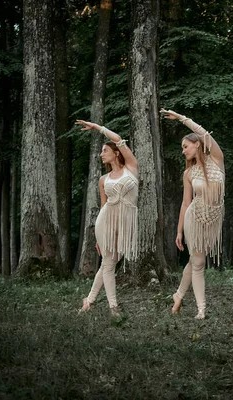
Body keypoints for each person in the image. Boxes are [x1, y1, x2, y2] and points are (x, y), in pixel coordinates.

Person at [161, 109, 225, 320]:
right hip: (194, 217)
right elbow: (185, 203)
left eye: (185, 146)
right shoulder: (188, 173)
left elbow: (205, 133)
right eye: (181, 148)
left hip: (213, 218)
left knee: (195, 259)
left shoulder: (216, 159)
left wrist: (181, 119)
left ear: (197, 144)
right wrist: (179, 231)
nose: (183, 151)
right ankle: (201, 310)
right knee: (198, 263)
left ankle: (178, 295)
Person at [76, 120, 139, 317]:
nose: (101, 154)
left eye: (104, 150)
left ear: (116, 153)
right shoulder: (103, 179)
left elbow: (119, 139)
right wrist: (98, 237)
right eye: (101, 151)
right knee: (109, 264)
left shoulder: (131, 167)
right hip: (106, 222)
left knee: (108, 264)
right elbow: (103, 204)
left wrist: (97, 128)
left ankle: (89, 301)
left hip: (126, 221)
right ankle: (114, 308)